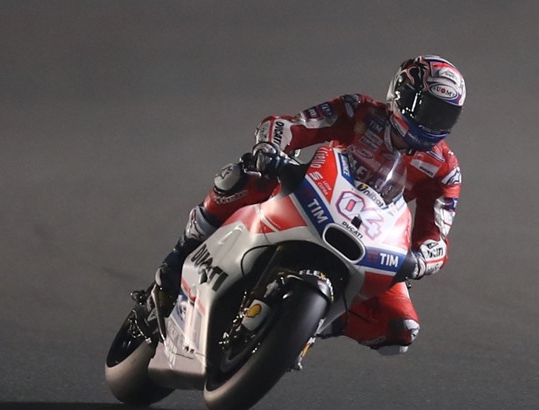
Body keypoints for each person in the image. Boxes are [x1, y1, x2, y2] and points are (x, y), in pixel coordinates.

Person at [153, 55, 465, 355]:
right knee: (243, 175)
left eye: (443, 116)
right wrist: (270, 148)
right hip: (313, 193)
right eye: (427, 110)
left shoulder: (444, 169)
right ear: (403, 95)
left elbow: (436, 235)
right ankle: (179, 255)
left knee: (402, 327)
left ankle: (309, 326)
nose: (432, 123)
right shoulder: (358, 110)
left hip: (369, 233)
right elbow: (291, 125)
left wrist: (422, 260)